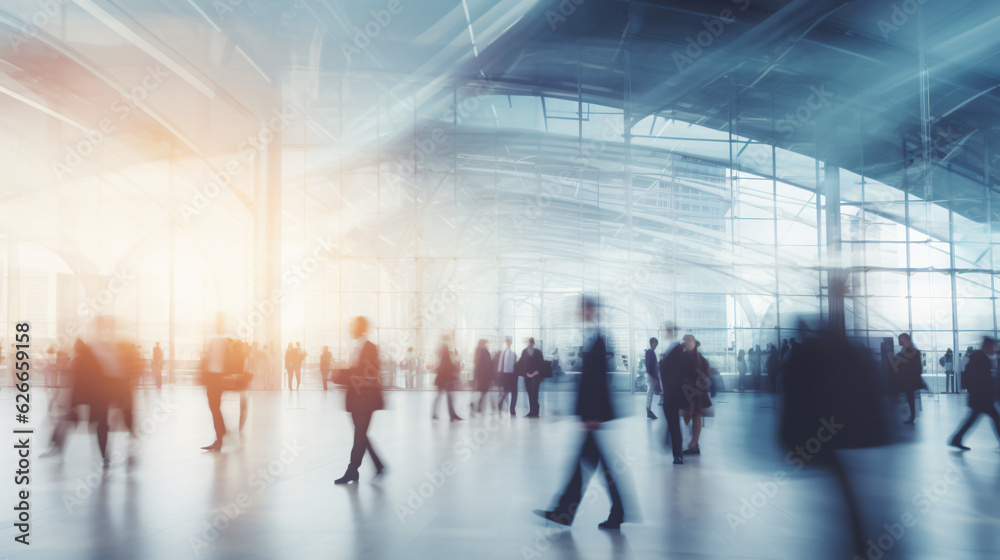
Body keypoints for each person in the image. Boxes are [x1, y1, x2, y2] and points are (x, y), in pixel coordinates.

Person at [536, 296, 625, 530]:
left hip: (592, 416)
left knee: (589, 465)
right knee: (591, 465)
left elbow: (598, 379)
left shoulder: (599, 338)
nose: (578, 312)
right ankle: (612, 510)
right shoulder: (593, 336)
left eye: (581, 308)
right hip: (591, 415)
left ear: (589, 310)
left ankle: (568, 511)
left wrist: (592, 415)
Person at [333, 316, 385, 484]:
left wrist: (340, 375)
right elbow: (356, 372)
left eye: (353, 326)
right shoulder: (357, 347)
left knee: (360, 435)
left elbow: (367, 374)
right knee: (361, 434)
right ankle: (378, 465)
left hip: (366, 400)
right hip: (356, 400)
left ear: (360, 328)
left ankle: (352, 470)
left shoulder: (371, 348)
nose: (350, 329)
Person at [949, 336, 1000, 451]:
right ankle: (956, 439)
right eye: (993, 346)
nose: (994, 348)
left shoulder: (979, 356)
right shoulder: (980, 358)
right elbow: (979, 378)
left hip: (980, 398)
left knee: (973, 419)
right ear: (987, 345)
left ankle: (956, 439)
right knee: (994, 419)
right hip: (982, 398)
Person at [660, 334, 698, 464]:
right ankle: (678, 451)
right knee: (674, 424)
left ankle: (678, 451)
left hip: (673, 395)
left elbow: (667, 372)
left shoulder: (677, 353)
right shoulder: (684, 355)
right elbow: (689, 378)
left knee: (673, 424)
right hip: (679, 395)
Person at [682, 338, 713, 455]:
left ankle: (690, 443)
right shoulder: (699, 358)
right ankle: (693, 443)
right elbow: (707, 374)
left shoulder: (687, 357)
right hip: (696, 391)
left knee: (690, 415)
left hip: (691, 391)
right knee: (695, 415)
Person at [890, 333, 924, 425]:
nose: (900, 341)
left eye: (901, 339)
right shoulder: (909, 350)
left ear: (905, 339)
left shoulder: (910, 350)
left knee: (909, 396)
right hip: (907, 378)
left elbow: (912, 364)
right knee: (909, 396)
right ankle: (911, 416)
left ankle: (912, 416)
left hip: (908, 378)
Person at [432, 335, 462, 421]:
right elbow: (448, 366)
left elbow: (445, 366)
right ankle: (451, 415)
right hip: (444, 380)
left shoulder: (442, 354)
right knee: (447, 397)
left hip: (442, 380)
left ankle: (437, 414)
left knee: (441, 396)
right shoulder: (445, 353)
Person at [518, 337, 546, 418]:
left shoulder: (538, 352)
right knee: (530, 393)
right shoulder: (524, 352)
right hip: (527, 376)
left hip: (536, 376)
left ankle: (535, 412)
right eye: (529, 342)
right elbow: (521, 364)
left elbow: (541, 364)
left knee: (534, 394)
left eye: (531, 342)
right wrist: (526, 373)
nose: (530, 344)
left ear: (533, 343)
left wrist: (537, 372)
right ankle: (532, 411)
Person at [496, 336, 518, 416]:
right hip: (510, 376)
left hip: (505, 376)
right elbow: (513, 365)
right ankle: (512, 409)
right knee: (514, 392)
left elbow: (500, 366)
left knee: (507, 391)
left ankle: (501, 405)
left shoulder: (504, 352)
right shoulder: (510, 352)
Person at [473, 339, 494, 414]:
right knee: (483, 391)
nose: (486, 345)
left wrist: (475, 377)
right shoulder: (485, 353)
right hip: (485, 376)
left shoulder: (478, 352)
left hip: (479, 376)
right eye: (486, 343)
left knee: (482, 392)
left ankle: (476, 405)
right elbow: (489, 365)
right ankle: (477, 405)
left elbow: (476, 365)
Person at [644, 337, 660, 419]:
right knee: (650, 392)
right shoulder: (650, 352)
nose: (656, 346)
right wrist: (655, 376)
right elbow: (651, 365)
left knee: (650, 392)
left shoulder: (649, 352)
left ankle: (648, 409)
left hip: (650, 374)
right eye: (655, 344)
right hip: (651, 375)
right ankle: (648, 410)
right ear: (652, 343)